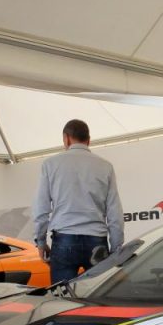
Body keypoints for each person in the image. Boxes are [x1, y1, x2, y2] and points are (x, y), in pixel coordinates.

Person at [32, 119, 124, 285]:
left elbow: (41, 209)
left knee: (64, 297)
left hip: (64, 241)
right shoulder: (105, 166)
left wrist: (40, 241)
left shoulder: (50, 164)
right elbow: (114, 212)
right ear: (88, 140)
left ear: (66, 138)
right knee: (98, 294)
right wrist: (116, 249)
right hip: (97, 241)